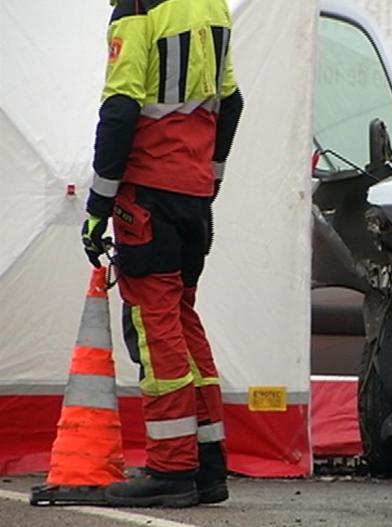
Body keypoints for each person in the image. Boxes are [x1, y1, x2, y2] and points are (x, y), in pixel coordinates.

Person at [80, 0, 244, 508]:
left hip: (147, 193)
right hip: (193, 193)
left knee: (155, 326)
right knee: (181, 315)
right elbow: (232, 101)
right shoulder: (212, 5)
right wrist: (209, 181)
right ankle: (208, 464)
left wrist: (98, 206)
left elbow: (121, 106)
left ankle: (171, 468)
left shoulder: (136, 7)